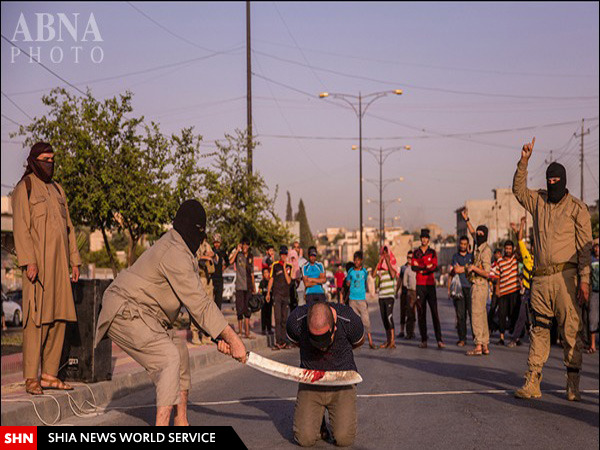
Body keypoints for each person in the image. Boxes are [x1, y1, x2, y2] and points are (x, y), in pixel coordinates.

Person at [95, 200, 247, 426]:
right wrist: (233, 338)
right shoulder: (174, 251)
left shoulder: (183, 250)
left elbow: (194, 300)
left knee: (179, 351)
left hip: (147, 315)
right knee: (168, 358)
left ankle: (181, 422)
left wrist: (217, 337)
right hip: (124, 311)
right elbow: (200, 304)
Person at [512, 137, 592, 402]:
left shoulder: (577, 209)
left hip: (567, 279)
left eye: (556, 181)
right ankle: (532, 382)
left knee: (571, 332)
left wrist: (584, 281)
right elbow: (519, 190)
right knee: (539, 331)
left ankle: (573, 384)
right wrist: (524, 161)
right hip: (541, 279)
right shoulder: (538, 202)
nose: (551, 185)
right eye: (549, 181)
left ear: (564, 181)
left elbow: (584, 249)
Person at [12, 142, 81, 395]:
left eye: (53, 159)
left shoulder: (58, 190)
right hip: (37, 267)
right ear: (33, 160)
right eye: (45, 159)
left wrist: (75, 260)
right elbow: (20, 227)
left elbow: (69, 229)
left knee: (59, 318)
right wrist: (29, 260)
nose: (50, 163)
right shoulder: (25, 188)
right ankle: (32, 377)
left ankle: (50, 374)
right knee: (36, 320)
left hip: (60, 267)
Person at [286, 301, 365, 447]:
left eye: (325, 341)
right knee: (305, 439)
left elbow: (359, 341)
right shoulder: (296, 321)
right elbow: (296, 341)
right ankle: (318, 421)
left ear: (334, 327)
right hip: (311, 383)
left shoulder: (349, 320)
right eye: (315, 342)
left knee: (344, 439)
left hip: (342, 382)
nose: (321, 348)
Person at [461, 209, 493, 357]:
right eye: (478, 234)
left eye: (481, 234)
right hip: (478, 285)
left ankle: (478, 345)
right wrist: (467, 219)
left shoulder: (485, 250)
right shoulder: (479, 245)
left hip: (480, 284)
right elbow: (473, 232)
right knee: (482, 315)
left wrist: (473, 268)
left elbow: (487, 272)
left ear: (485, 236)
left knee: (476, 315)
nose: (478, 236)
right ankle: (485, 345)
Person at [412, 229, 445, 349]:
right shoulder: (416, 252)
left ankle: (439, 340)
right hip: (420, 285)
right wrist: (426, 266)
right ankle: (424, 340)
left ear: (428, 239)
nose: (424, 240)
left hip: (430, 285)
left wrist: (422, 267)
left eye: (426, 238)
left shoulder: (432, 252)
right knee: (421, 313)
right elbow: (413, 267)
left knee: (434, 313)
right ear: (420, 239)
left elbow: (434, 267)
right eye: (422, 237)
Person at [507, 217, 534, 348]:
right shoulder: (528, 258)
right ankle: (515, 338)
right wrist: (522, 225)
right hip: (528, 292)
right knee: (522, 316)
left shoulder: (545, 262)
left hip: (540, 292)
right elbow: (520, 241)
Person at [489, 240, 520, 346]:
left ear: (512, 249)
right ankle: (501, 338)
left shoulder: (515, 259)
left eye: (510, 249)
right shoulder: (500, 262)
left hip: (514, 291)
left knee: (514, 314)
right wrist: (497, 289)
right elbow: (497, 277)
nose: (508, 250)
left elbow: (520, 245)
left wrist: (518, 230)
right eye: (506, 249)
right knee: (502, 314)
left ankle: (516, 337)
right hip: (503, 292)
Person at [448, 236, 474, 346]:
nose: (463, 246)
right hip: (459, 289)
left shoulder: (471, 256)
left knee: (473, 315)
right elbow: (455, 269)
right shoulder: (455, 256)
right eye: (461, 244)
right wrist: (467, 268)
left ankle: (476, 338)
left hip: (471, 288)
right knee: (460, 315)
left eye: (465, 244)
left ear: (468, 245)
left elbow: (470, 268)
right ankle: (462, 338)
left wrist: (462, 268)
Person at [347, 251, 375, 349]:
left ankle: (370, 341)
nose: (356, 262)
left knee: (366, 321)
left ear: (361, 261)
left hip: (362, 299)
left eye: (358, 260)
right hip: (352, 299)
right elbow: (348, 282)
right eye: (355, 260)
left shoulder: (364, 272)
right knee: (354, 321)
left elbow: (367, 281)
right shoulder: (350, 271)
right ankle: (356, 342)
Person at [267, 245, 293, 350]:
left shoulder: (289, 267)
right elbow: (271, 279)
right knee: (277, 319)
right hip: (277, 295)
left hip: (285, 296)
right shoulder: (275, 265)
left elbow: (289, 281)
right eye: (282, 254)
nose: (283, 256)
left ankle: (284, 341)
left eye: (285, 254)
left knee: (284, 319)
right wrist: (268, 292)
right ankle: (278, 342)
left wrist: (284, 267)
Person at [230, 237, 256, 338]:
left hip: (248, 287)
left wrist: (254, 287)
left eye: (247, 245)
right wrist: (237, 250)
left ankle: (247, 332)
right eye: (243, 244)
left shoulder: (250, 256)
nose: (245, 246)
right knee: (239, 309)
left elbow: (252, 273)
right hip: (240, 287)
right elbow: (231, 261)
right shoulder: (238, 255)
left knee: (247, 310)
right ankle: (240, 332)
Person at [191, 238, 215, 346]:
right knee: (197, 308)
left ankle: (206, 335)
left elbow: (216, 260)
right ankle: (195, 334)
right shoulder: (194, 244)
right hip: (198, 278)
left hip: (209, 279)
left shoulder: (207, 245)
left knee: (208, 308)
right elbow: (195, 259)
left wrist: (213, 255)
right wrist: (206, 257)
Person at [373, 246, 397, 348]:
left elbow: (392, 275)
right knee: (384, 318)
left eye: (386, 253)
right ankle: (388, 340)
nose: (384, 255)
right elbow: (373, 275)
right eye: (383, 253)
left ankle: (392, 341)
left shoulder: (393, 265)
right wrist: (379, 262)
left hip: (389, 295)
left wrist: (387, 261)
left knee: (389, 317)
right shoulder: (380, 268)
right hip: (381, 296)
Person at [398, 251, 417, 340]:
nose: (409, 259)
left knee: (412, 312)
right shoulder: (403, 268)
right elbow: (400, 280)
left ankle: (411, 331)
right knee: (403, 312)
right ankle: (403, 331)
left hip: (414, 292)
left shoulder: (416, 267)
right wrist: (397, 291)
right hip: (405, 292)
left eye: (411, 257)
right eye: (408, 257)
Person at [586, 241, 599, 353]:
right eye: (595, 247)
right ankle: (592, 345)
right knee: (593, 318)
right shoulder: (591, 260)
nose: (597, 249)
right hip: (594, 292)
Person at [488, 248, 504, 334]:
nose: (497, 255)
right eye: (496, 254)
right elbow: (490, 277)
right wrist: (496, 280)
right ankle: (489, 327)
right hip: (495, 290)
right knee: (493, 308)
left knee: (502, 311)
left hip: (504, 290)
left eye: (499, 253)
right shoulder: (493, 265)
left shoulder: (504, 263)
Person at [211, 233, 229, 311]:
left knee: (218, 301)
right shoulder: (210, 251)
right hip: (211, 278)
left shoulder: (222, 252)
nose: (216, 244)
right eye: (215, 242)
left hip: (219, 278)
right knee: (211, 301)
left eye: (218, 242)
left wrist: (224, 267)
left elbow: (228, 262)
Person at [258, 267, 273, 336]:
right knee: (263, 314)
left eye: (267, 272)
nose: (266, 274)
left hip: (270, 300)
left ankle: (269, 329)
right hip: (263, 300)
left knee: (269, 314)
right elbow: (260, 290)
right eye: (264, 273)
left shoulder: (271, 281)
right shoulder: (262, 282)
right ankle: (263, 329)